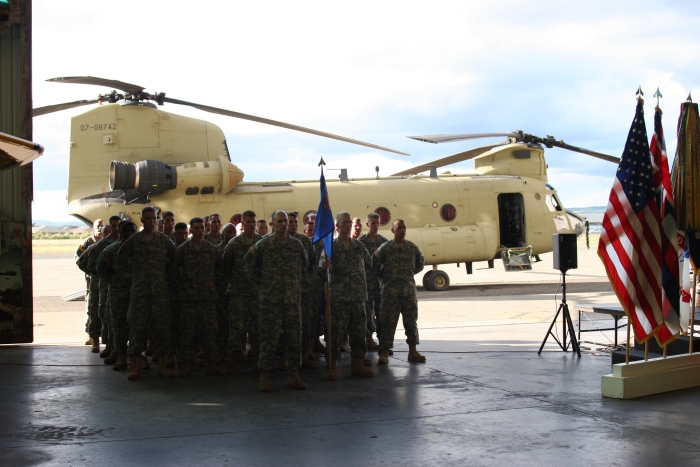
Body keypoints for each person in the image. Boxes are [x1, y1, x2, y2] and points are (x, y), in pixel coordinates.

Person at [245, 210, 308, 392]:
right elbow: (248, 263)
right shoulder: (264, 244)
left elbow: (305, 266)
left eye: (285, 221)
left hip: (292, 300)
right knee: (268, 339)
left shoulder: (296, 245)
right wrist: (261, 283)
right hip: (271, 300)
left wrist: (296, 285)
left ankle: (293, 375)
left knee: (294, 338)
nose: (283, 224)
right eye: (279, 221)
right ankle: (264, 376)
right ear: (272, 224)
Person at [116, 206, 177, 381]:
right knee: (137, 329)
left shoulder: (164, 241)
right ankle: (135, 367)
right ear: (142, 220)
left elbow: (174, 260)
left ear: (157, 220)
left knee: (162, 329)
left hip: (159, 294)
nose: (151, 221)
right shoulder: (133, 241)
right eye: (148, 218)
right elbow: (121, 260)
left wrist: (167, 279)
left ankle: (163, 366)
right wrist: (132, 277)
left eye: (154, 218)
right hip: (139, 293)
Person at [320, 212, 374, 380]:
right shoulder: (330, 247)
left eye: (349, 222)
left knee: (358, 333)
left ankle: (357, 364)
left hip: (358, 298)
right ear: (336, 226)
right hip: (338, 299)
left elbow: (369, 264)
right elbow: (321, 266)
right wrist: (325, 264)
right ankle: (332, 366)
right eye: (344, 223)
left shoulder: (359, 247)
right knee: (335, 334)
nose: (348, 225)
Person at [174, 217, 226, 378]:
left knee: (210, 333)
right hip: (188, 299)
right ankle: (186, 365)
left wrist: (215, 290)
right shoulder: (182, 250)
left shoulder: (212, 250)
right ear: (191, 230)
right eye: (196, 228)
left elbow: (220, 274)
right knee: (187, 333)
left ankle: (211, 364)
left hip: (207, 299)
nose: (199, 230)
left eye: (202, 227)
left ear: (206, 229)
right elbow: (174, 273)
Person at [372, 219, 426, 364]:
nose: (402, 230)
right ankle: (384, 352)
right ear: (392, 230)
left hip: (408, 292)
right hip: (390, 293)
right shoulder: (386, 248)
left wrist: (408, 274)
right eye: (399, 228)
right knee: (387, 323)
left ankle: (413, 351)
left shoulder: (412, 247)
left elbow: (420, 263)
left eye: (404, 227)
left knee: (411, 322)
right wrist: (385, 276)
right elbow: (374, 264)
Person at [222, 211, 262, 375]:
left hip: (257, 293)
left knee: (259, 327)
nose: (252, 224)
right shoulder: (233, 244)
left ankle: (260, 361)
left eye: (254, 222)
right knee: (237, 328)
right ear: (243, 224)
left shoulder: (262, 243)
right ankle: (235, 360)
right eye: (248, 222)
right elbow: (226, 267)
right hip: (239, 293)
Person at [96, 221, 137, 370]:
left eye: (133, 231)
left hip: (138, 293)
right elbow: (100, 269)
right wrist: (114, 280)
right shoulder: (112, 250)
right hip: (119, 294)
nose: (130, 234)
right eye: (126, 231)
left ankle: (136, 356)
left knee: (137, 326)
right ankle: (120, 355)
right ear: (120, 231)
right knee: (119, 325)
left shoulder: (140, 249)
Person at [87, 216, 121, 358]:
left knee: (118, 315)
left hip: (121, 285)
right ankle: (101, 341)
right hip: (102, 285)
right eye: (112, 226)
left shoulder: (126, 243)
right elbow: (85, 262)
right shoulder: (101, 244)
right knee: (102, 311)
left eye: (118, 226)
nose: (115, 228)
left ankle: (118, 346)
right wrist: (100, 275)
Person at [288, 212, 317, 370]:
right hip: (284, 291)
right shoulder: (275, 242)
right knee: (285, 326)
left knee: (305, 324)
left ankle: (304, 354)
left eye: (295, 222)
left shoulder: (305, 241)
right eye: (290, 221)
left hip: (303, 290)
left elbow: (312, 263)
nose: (293, 224)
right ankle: (284, 357)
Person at [357, 212, 388, 351]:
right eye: (372, 223)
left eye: (377, 223)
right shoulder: (361, 242)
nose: (375, 226)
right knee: (367, 314)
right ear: (367, 224)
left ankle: (383, 342)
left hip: (380, 285)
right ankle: (368, 339)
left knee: (382, 314)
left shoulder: (384, 242)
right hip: (366, 285)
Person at [76, 224, 108, 353]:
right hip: (96, 285)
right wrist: (92, 273)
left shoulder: (117, 246)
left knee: (109, 314)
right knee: (94, 311)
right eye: (101, 229)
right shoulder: (94, 246)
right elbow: (80, 261)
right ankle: (95, 339)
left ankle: (109, 343)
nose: (104, 232)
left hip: (111, 285)